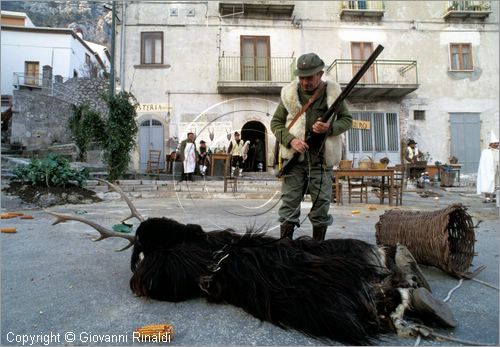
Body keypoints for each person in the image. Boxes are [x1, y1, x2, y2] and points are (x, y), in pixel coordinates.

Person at [270, 52, 352, 241]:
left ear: (320, 74)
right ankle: (285, 248)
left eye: (309, 77)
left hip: (321, 161)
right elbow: (276, 123)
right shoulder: (289, 94)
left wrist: (329, 128)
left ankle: (317, 250)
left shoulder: (333, 93)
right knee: (289, 205)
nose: (305, 82)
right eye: (302, 77)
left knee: (321, 206)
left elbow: (347, 120)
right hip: (294, 159)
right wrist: (291, 140)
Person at [476, 131, 499, 203]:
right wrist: (484, 170)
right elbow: (483, 163)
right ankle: (487, 197)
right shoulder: (486, 152)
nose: (497, 145)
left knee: (497, 183)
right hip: (488, 170)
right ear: (491, 144)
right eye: (495, 143)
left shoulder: (498, 151)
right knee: (488, 183)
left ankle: (495, 197)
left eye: (497, 143)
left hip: (497, 170)